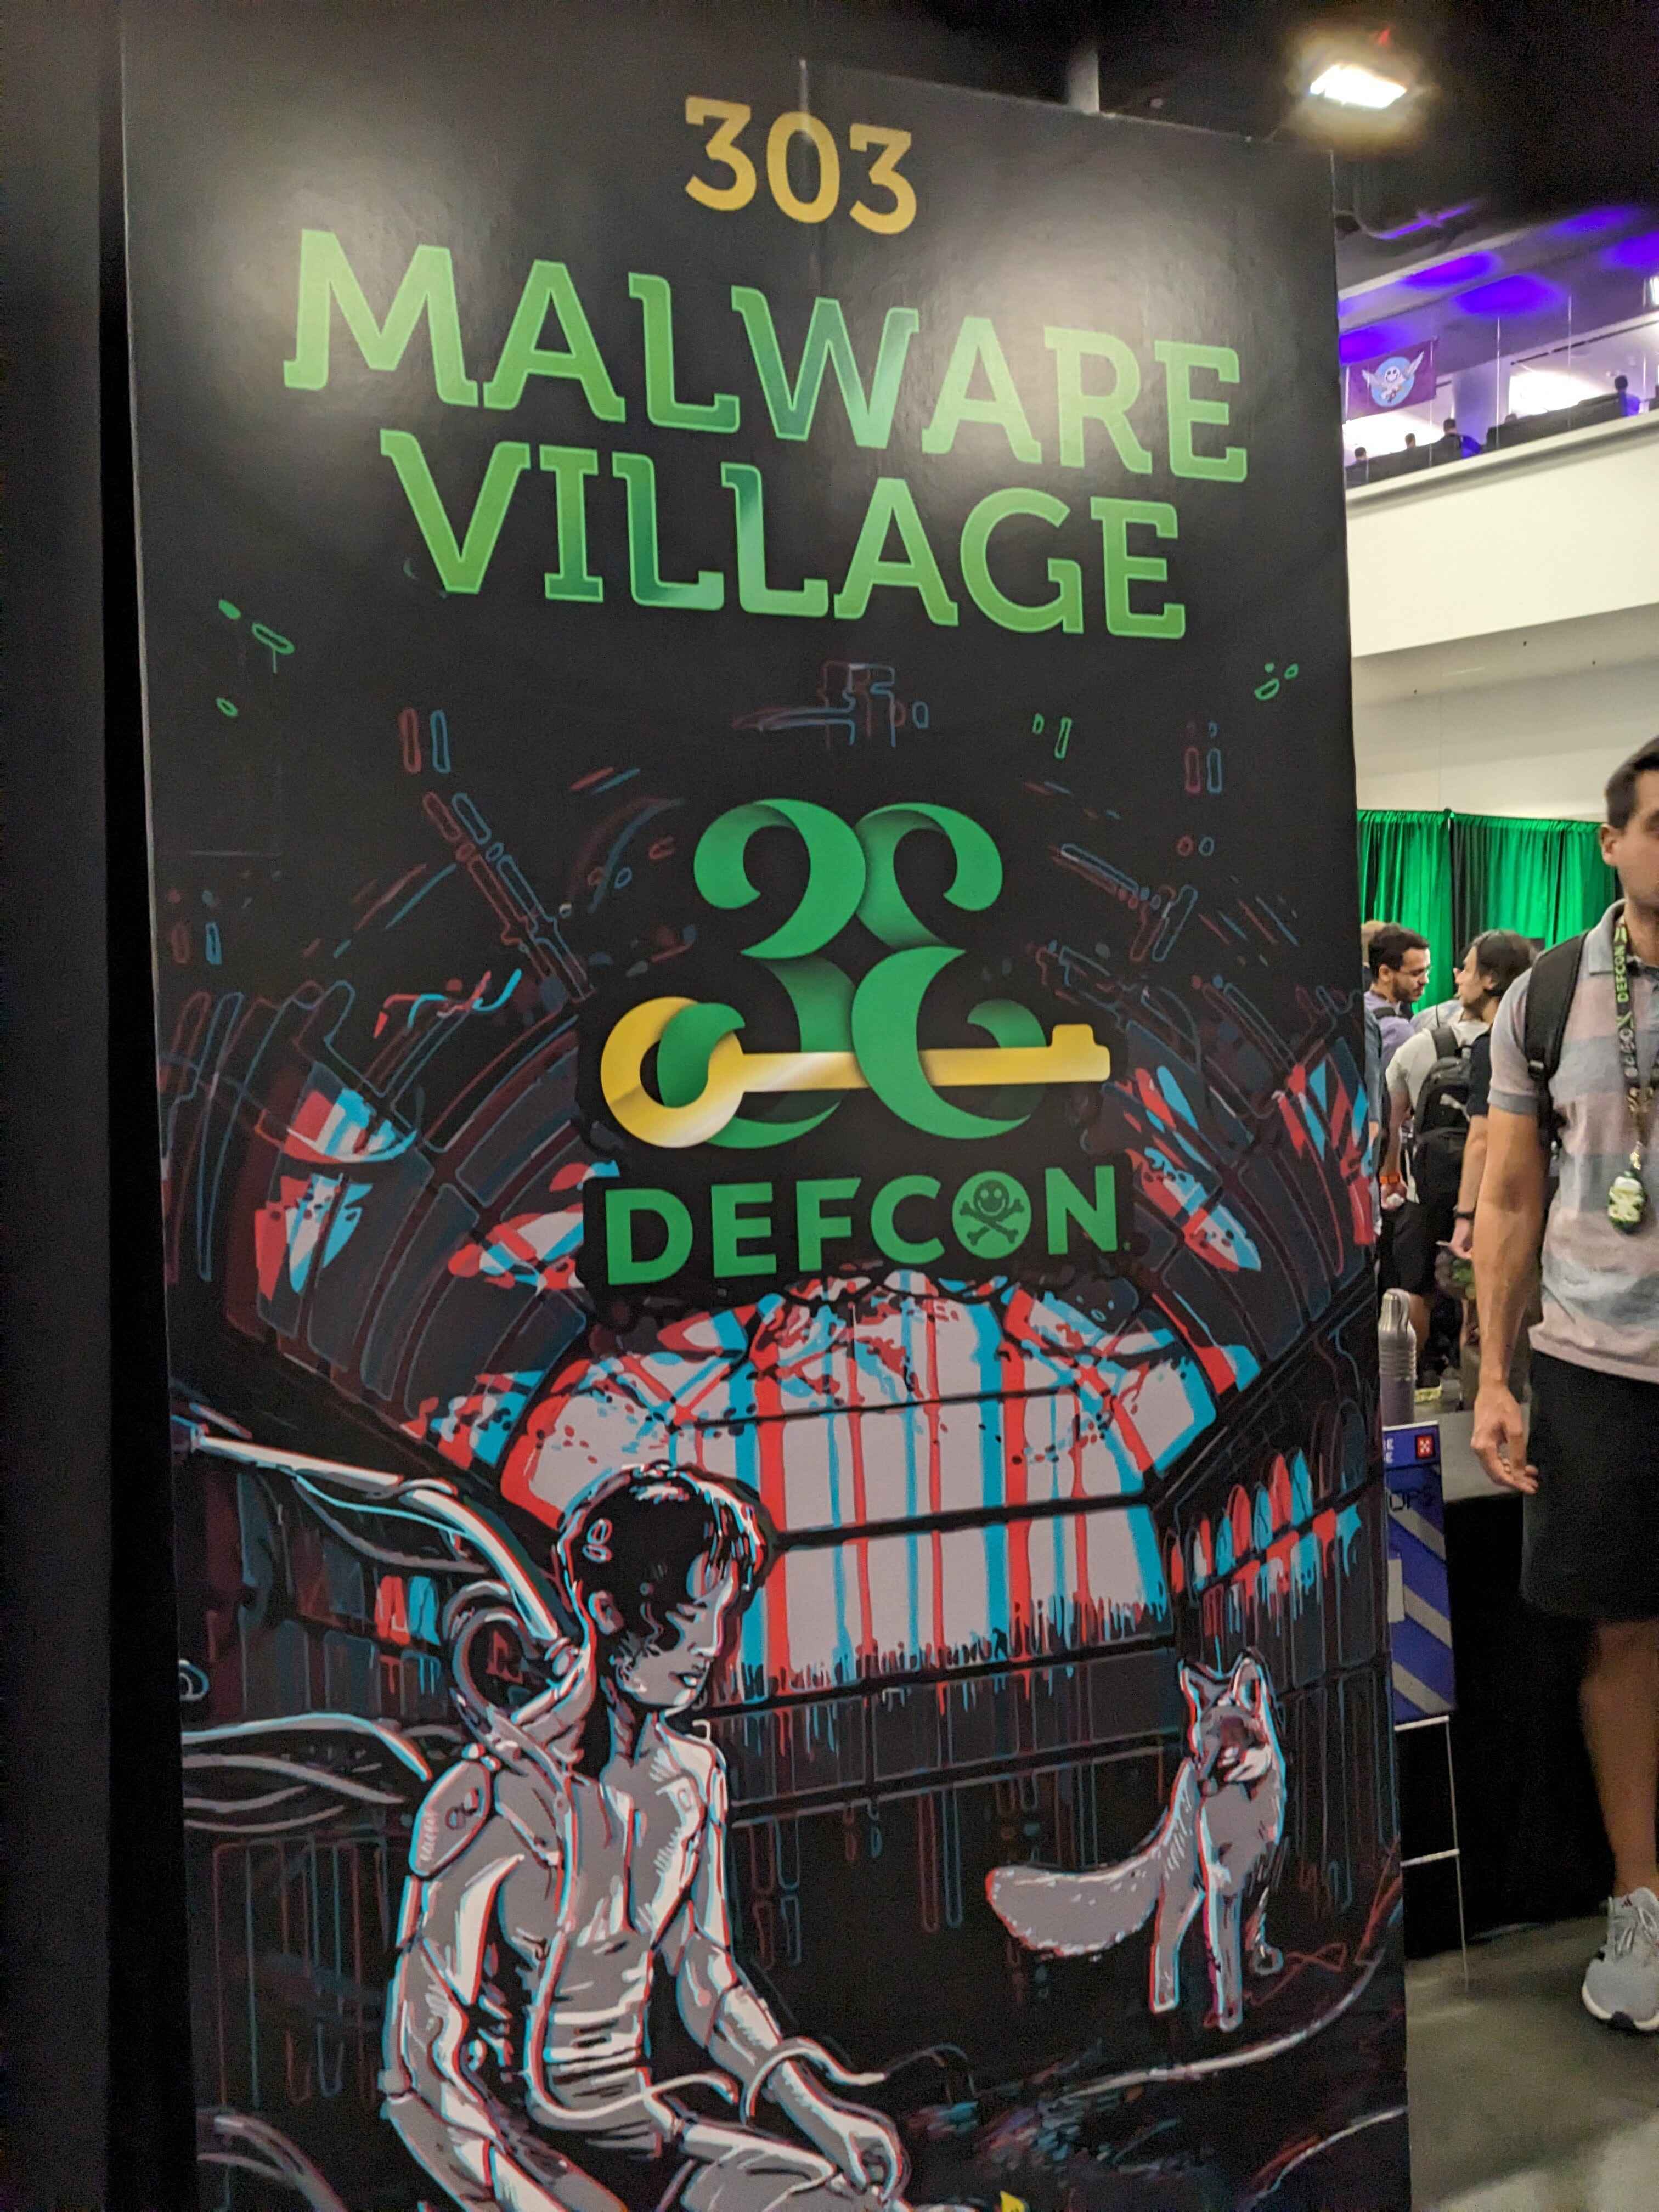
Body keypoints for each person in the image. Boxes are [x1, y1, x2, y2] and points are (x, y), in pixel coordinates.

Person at [383, 1464, 928, 2211]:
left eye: (724, 1614)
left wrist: (820, 2116)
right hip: (518, 2157)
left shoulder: (694, 1781)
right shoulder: (491, 1799)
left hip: (647, 2137)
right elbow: (417, 2073)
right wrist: (515, 2201)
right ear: (606, 1609)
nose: (713, 1644)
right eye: (693, 1613)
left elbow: (709, 1982)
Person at [1472, 738, 1659, 2033]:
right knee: (1623, 1638)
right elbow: (1507, 1197)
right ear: (1612, 842)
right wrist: (1495, 1375)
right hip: (1599, 1369)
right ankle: (1641, 1905)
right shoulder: (1545, 996)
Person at [1383, 933, 1533, 1361]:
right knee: (1488, 1298)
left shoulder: (1426, 1044)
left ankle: (1416, 1382)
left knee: (1418, 1291)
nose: (1457, 977)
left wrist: (1394, 1174)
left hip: (1431, 1192)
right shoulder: (1532, 1042)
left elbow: (1393, 1122)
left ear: (1489, 979)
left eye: (1466, 968)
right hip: (1509, 1194)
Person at [1365, 926, 1431, 1076]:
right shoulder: (1399, 1032)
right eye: (1416, 973)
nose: (1425, 980)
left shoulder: (1359, 1007)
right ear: (1385, 973)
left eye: (1427, 970)